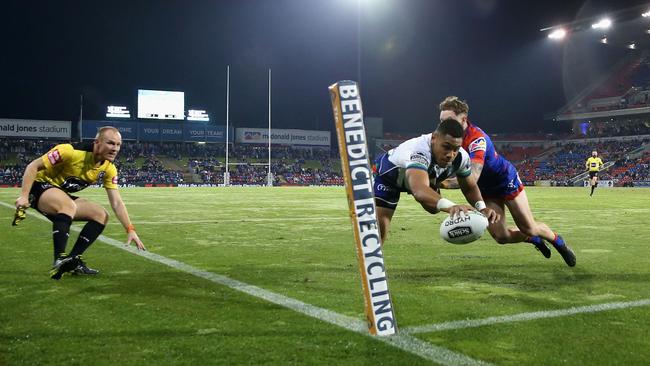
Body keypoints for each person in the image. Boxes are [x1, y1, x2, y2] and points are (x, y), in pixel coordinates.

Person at [438, 96, 576, 267]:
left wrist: (440, 183)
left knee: (529, 227)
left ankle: (558, 241)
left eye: (449, 120)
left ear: (464, 119)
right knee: (501, 237)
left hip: (505, 181)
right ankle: (533, 240)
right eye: (442, 121)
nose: (444, 125)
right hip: (485, 190)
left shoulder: (477, 139)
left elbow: (472, 178)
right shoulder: (446, 139)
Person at [14, 126, 146, 280]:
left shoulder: (109, 168)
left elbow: (116, 202)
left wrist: (130, 229)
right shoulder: (69, 151)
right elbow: (33, 166)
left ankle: (73, 260)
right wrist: (24, 196)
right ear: (97, 142)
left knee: (101, 215)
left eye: (118, 145)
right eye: (110, 143)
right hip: (38, 185)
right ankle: (59, 259)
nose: (115, 149)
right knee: (68, 205)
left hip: (59, 193)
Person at [373, 118, 499, 243]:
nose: (451, 154)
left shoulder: (461, 157)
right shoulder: (419, 150)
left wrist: (482, 208)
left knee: (433, 209)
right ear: (434, 138)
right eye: (446, 147)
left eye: (455, 148)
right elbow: (419, 190)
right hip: (388, 178)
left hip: (423, 177)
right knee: (379, 230)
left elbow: (469, 187)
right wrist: (452, 207)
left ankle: (431, 182)